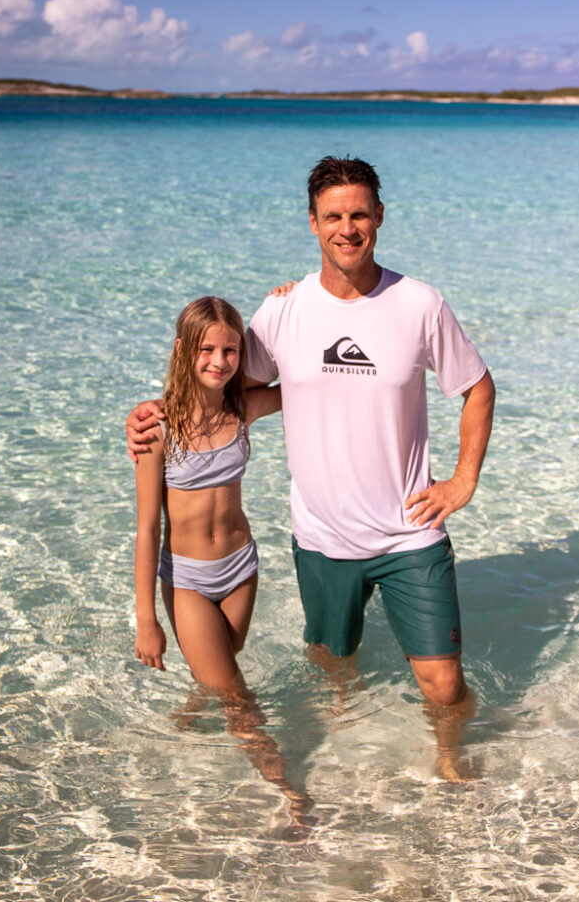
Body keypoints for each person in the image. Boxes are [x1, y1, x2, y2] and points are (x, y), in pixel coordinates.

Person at [127, 158, 495, 770]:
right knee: (332, 668)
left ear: (378, 217)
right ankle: (349, 761)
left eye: (358, 214)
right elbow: (222, 391)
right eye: (333, 216)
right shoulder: (284, 311)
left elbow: (477, 387)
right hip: (322, 538)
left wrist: (462, 481)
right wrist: (155, 413)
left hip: (410, 532)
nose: (346, 228)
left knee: (443, 682)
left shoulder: (420, 304)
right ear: (313, 223)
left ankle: (453, 765)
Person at [133, 295, 311, 830]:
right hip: (187, 579)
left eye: (230, 350)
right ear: (183, 350)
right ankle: (291, 793)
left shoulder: (241, 408)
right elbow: (147, 529)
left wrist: (293, 298)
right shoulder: (156, 429)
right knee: (237, 698)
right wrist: (147, 619)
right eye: (207, 349)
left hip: (240, 570)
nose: (219, 360)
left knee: (220, 671)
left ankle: (191, 707)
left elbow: (307, 384)